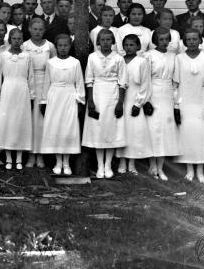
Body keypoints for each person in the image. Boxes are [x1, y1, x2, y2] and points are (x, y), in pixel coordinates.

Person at [173, 29, 204, 184]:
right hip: (185, 100)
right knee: (187, 135)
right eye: (189, 39)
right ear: (184, 42)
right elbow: (175, 84)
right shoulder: (179, 58)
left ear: (200, 40)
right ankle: (189, 170)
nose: (192, 42)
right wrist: (176, 106)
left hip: (201, 100)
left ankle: (200, 170)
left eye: (195, 39)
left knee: (201, 135)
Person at [82, 29, 127, 179]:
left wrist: (120, 102)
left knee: (110, 130)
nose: (106, 42)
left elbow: (122, 82)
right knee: (98, 130)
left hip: (113, 95)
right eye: (102, 40)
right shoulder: (92, 57)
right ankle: (100, 166)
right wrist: (90, 100)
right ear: (98, 42)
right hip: (97, 95)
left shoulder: (118, 58)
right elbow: (89, 80)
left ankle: (108, 165)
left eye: (108, 39)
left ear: (113, 41)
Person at [40, 34, 85, 176]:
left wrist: (80, 101)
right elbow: (46, 82)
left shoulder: (75, 62)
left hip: (70, 97)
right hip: (55, 96)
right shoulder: (51, 63)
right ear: (56, 47)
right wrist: (44, 101)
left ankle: (66, 162)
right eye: (60, 45)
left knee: (68, 128)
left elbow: (79, 83)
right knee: (56, 128)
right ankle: (58, 162)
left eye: (66, 45)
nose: (63, 48)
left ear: (70, 46)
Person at [0, 28, 34, 170]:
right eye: (14, 39)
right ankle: (9, 158)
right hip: (7, 90)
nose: (17, 41)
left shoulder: (27, 56)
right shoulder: (3, 56)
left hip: (22, 90)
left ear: (22, 40)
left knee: (20, 122)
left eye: (19, 39)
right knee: (8, 122)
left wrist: (32, 95)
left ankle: (19, 158)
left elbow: (31, 77)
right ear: (9, 40)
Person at [144, 27, 180, 181]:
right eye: (161, 39)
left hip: (167, 94)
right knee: (153, 130)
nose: (164, 42)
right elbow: (145, 79)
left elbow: (176, 82)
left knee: (165, 131)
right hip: (153, 93)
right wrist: (146, 100)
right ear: (155, 40)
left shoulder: (173, 57)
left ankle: (160, 167)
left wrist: (176, 102)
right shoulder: (148, 55)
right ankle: (152, 166)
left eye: (167, 39)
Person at [115, 34, 152, 175]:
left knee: (134, 131)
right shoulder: (119, 60)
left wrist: (138, 103)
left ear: (138, 46)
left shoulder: (142, 62)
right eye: (126, 45)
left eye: (132, 45)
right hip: (121, 98)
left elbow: (145, 84)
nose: (128, 48)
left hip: (134, 97)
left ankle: (131, 163)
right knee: (121, 130)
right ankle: (121, 162)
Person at [23, 17, 55, 169]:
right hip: (29, 83)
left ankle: (41, 154)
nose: (37, 32)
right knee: (30, 120)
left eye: (40, 29)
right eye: (35, 29)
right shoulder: (25, 45)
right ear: (29, 29)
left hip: (45, 83)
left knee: (42, 121)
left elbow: (54, 65)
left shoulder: (50, 46)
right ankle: (30, 154)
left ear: (45, 30)